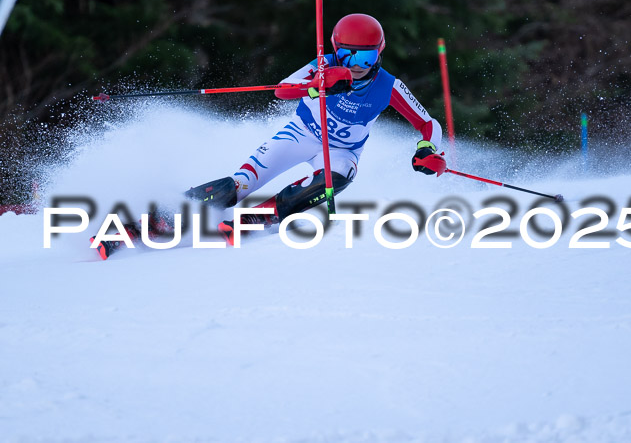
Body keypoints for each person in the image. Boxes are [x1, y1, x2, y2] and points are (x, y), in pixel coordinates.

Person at [91, 13, 446, 259]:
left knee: (334, 179)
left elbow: (428, 123)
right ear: (335, 49)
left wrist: (429, 148)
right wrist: (316, 85)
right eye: (347, 54)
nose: (355, 64)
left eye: (366, 56)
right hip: (300, 134)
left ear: (379, 54)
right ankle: (151, 221)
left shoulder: (388, 87)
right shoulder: (322, 66)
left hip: (340, 151)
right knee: (237, 184)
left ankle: (265, 215)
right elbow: (282, 91)